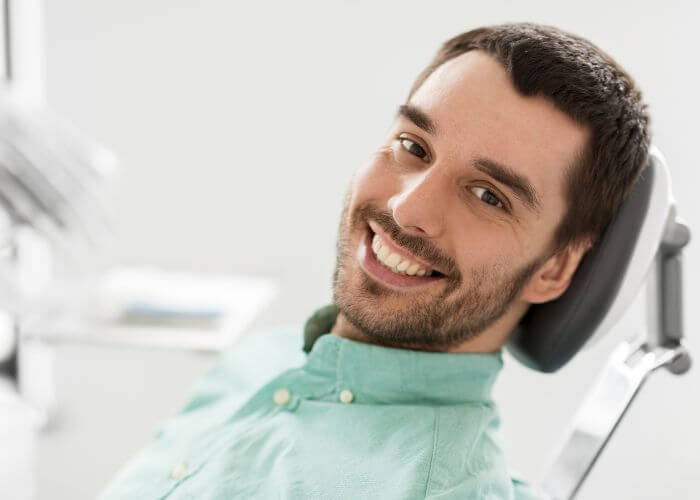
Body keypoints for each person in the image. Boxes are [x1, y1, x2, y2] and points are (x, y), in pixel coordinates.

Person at [98, 22, 650, 499]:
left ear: (554, 269)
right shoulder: (260, 360)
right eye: (414, 147)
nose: (407, 207)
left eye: (488, 196)